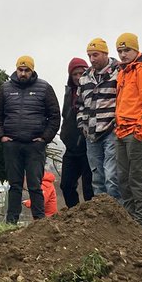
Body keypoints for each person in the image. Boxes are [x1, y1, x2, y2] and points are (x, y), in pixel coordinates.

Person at [0, 55, 60, 224]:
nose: (23, 73)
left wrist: (45, 138)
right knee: (14, 185)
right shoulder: (5, 88)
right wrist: (1, 136)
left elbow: (55, 115)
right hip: (12, 144)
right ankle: (11, 221)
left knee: (35, 185)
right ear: (16, 69)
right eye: (20, 70)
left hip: (34, 145)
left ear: (32, 70)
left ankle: (40, 221)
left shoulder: (44, 88)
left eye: (26, 70)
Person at [114, 32, 142, 229]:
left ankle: (141, 224)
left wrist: (141, 130)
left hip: (138, 133)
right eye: (120, 51)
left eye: (127, 50)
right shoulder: (123, 72)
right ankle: (130, 223)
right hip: (122, 132)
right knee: (123, 179)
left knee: (137, 179)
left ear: (136, 50)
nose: (123, 55)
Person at [77, 38, 121, 199]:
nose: (92, 59)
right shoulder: (85, 77)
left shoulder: (119, 72)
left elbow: (123, 100)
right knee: (97, 178)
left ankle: (118, 214)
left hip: (111, 131)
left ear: (105, 53)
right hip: (91, 134)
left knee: (112, 176)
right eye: (89, 56)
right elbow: (80, 104)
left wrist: (117, 123)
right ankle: (102, 218)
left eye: (95, 55)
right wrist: (81, 124)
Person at [59, 57, 94, 207]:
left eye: (81, 73)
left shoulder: (93, 89)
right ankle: (74, 215)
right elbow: (64, 116)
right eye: (75, 74)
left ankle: (91, 219)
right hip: (71, 147)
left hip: (88, 146)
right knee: (66, 185)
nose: (78, 77)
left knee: (89, 188)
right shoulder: (68, 93)